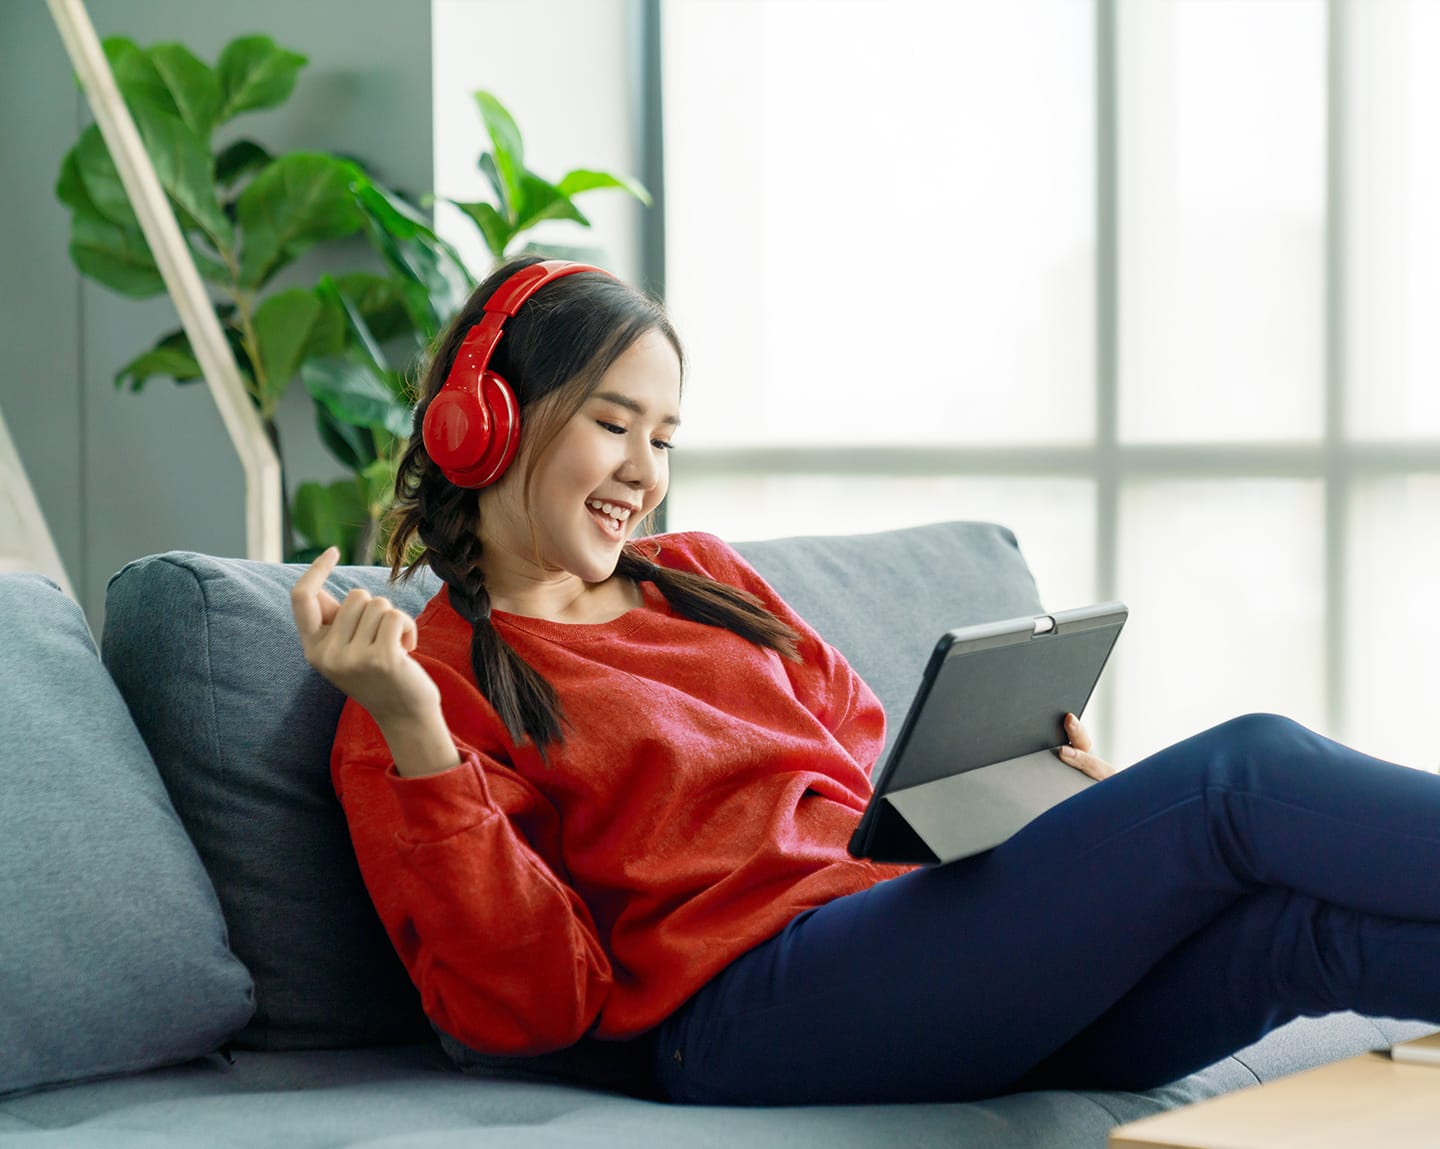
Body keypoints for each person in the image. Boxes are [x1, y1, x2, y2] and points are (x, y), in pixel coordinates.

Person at [291, 255, 1440, 1107]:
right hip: (740, 1013)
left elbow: (862, 779)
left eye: (668, 437)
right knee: (1242, 777)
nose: (646, 473)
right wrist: (418, 736)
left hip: (893, 953)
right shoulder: (422, 691)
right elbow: (531, 1007)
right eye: (613, 424)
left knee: (1305, 939)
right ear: (484, 423)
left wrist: (1036, 807)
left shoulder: (698, 577)